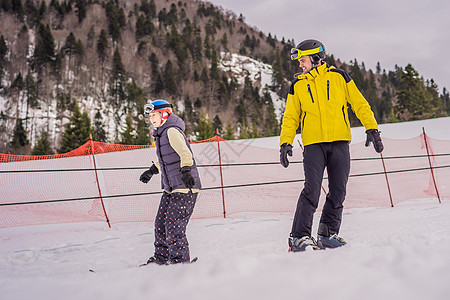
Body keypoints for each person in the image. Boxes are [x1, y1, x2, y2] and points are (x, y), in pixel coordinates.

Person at [279, 39, 384, 252]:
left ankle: (327, 233)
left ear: (316, 58)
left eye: (303, 59)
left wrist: (372, 128)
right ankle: (299, 237)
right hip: (314, 145)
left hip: (339, 143)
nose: (300, 64)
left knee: (338, 190)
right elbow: (291, 117)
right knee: (312, 190)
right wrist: (285, 142)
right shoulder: (298, 85)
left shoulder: (339, 77)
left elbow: (359, 104)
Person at [139, 99, 201, 264]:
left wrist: (187, 171)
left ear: (165, 114)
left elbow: (186, 154)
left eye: (154, 115)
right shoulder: (162, 133)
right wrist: (152, 171)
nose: (152, 119)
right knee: (160, 224)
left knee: (173, 226)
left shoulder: (171, 131)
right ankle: (162, 258)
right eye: (150, 116)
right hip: (171, 187)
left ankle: (179, 262)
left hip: (185, 186)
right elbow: (166, 159)